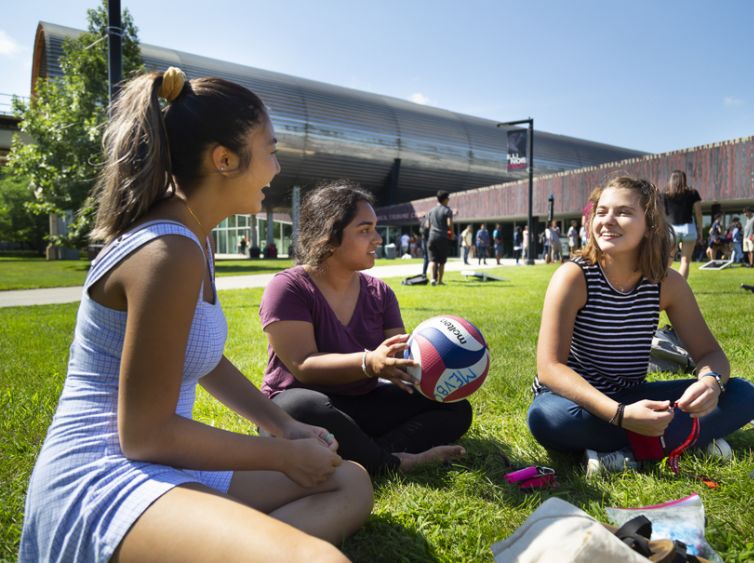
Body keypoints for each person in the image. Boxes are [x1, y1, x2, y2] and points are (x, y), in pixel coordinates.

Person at [18, 68, 373, 563]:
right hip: (105, 475)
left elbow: (200, 357)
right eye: (270, 150)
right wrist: (282, 455)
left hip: (162, 461)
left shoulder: (194, 238)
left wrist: (284, 425)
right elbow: (145, 434)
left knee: (350, 481)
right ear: (224, 159)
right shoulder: (168, 251)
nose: (275, 167)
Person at [527, 176, 754, 477]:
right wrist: (621, 415)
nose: (607, 220)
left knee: (744, 394)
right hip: (575, 402)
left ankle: (622, 453)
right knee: (546, 418)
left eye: (623, 212)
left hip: (632, 396)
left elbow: (710, 354)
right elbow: (550, 368)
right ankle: (682, 439)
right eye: (601, 212)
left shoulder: (667, 283)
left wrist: (710, 383)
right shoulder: (574, 276)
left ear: (650, 225)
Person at [259, 183, 472, 476]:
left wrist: (437, 354)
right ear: (328, 235)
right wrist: (369, 362)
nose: (377, 238)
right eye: (365, 230)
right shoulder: (288, 288)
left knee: (456, 407)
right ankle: (392, 461)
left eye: (375, 228)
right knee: (297, 408)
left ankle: (374, 453)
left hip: (361, 403)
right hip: (304, 405)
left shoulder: (380, 293)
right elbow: (303, 365)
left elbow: (399, 358)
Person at [662, 170, 703, 280]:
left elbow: (661, 213)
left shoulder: (664, 195)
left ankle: (664, 285)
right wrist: (700, 231)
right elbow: (698, 213)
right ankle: (681, 286)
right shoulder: (693, 193)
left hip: (671, 230)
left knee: (668, 260)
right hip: (688, 229)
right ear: (684, 180)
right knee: (685, 261)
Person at [426, 190, 454, 285]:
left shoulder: (431, 211)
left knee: (432, 260)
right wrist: (452, 234)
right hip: (442, 237)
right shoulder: (447, 210)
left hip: (432, 237)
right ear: (445, 199)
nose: (449, 200)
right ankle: (440, 281)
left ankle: (432, 279)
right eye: (448, 198)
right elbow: (449, 224)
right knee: (442, 261)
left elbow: (428, 225)